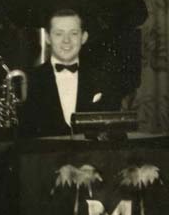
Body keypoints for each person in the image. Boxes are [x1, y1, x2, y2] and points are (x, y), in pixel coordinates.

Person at [19, 8, 122, 137]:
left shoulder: (103, 78)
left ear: (84, 37)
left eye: (73, 33)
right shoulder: (29, 80)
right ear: (47, 38)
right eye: (58, 34)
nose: (66, 40)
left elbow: (116, 135)